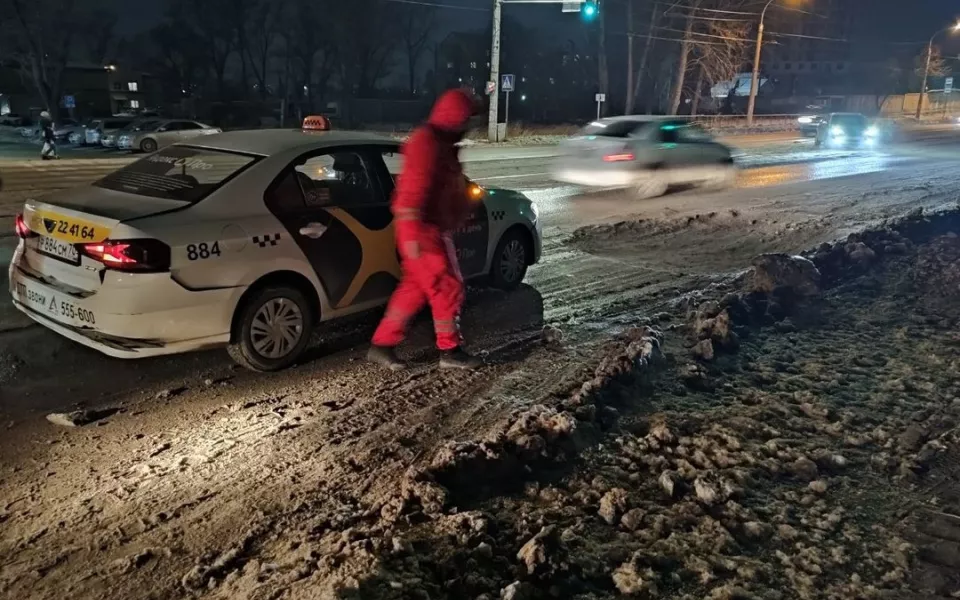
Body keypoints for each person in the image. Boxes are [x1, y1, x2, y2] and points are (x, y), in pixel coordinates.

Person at [367, 88, 483, 371]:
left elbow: (447, 187)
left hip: (426, 227)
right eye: (467, 121)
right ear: (456, 118)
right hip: (421, 229)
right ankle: (450, 350)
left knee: (415, 289)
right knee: (447, 286)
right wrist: (413, 235)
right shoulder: (427, 142)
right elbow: (413, 190)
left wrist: (461, 211)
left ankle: (381, 345)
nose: (469, 128)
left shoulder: (443, 143)